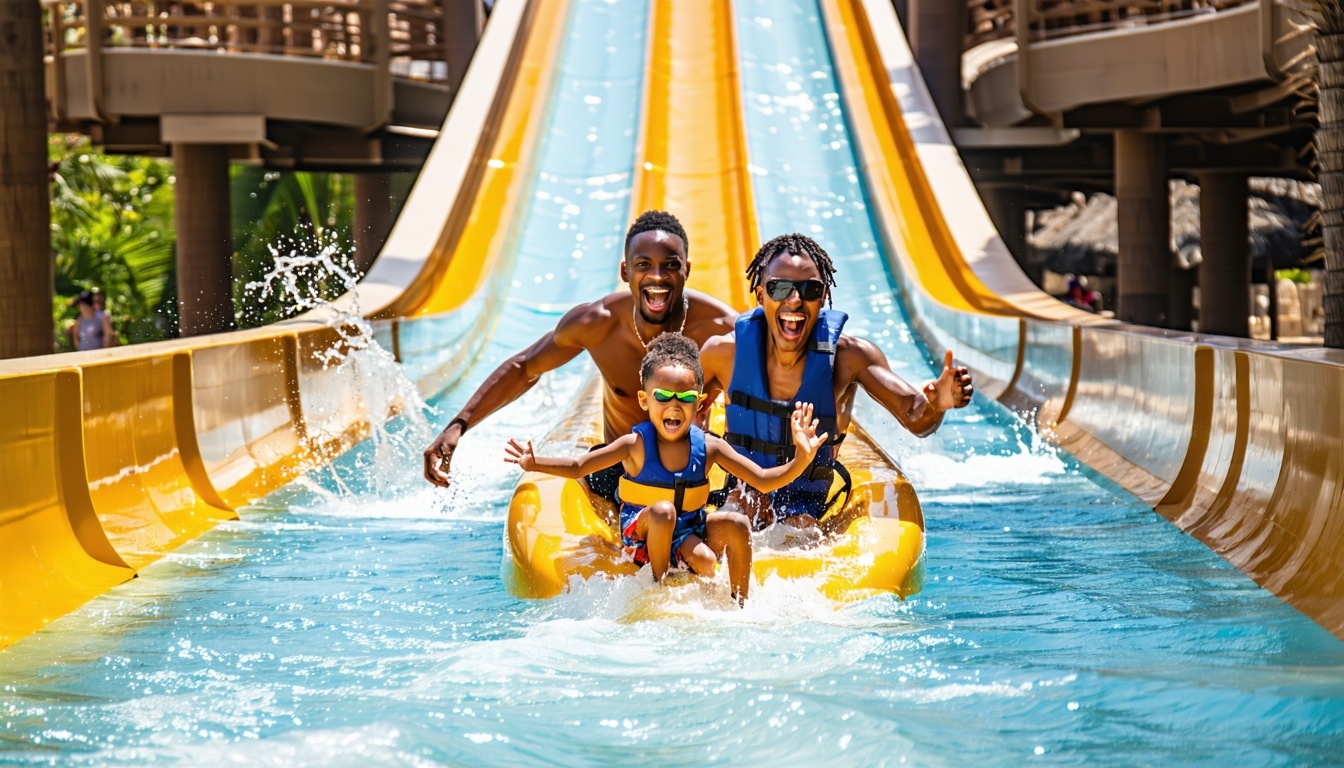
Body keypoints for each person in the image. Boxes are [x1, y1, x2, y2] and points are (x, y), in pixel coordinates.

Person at [423, 210, 738, 517]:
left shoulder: (721, 331)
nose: (657, 277)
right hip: (622, 476)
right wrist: (458, 425)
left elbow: (765, 393)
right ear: (625, 271)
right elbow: (524, 367)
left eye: (670, 265)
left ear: (687, 269)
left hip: (692, 476)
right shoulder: (597, 324)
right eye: (644, 265)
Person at [503, 333, 828, 602]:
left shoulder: (710, 447)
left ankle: (741, 603)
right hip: (644, 535)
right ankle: (657, 588)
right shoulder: (635, 444)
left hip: (687, 531)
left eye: (685, 398)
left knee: (734, 525)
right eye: (664, 396)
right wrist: (535, 462)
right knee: (662, 512)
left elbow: (764, 480)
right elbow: (579, 466)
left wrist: (802, 457)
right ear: (645, 401)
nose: (674, 405)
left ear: (699, 403)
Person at [699, 233, 975, 530]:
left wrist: (937, 405)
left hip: (807, 505)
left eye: (810, 289)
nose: (795, 300)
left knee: (800, 528)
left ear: (824, 296)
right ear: (760, 295)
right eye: (780, 288)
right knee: (734, 515)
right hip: (743, 492)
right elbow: (673, 413)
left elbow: (915, 416)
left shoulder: (849, 357)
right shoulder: (724, 353)